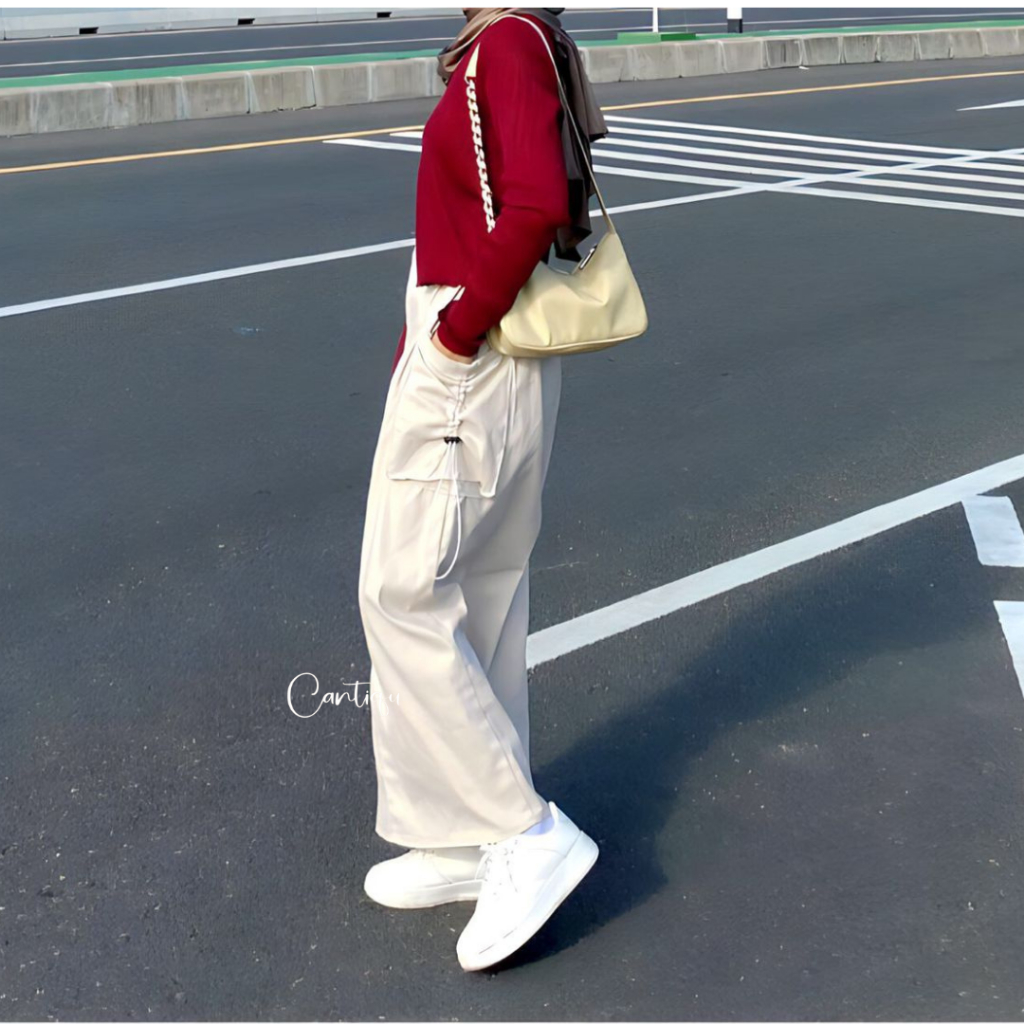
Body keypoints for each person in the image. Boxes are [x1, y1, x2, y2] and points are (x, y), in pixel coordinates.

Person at [357, 6, 608, 972]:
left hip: (475, 352)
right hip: (487, 354)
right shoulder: (516, 37)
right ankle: (462, 834)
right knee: (482, 595)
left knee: (403, 593)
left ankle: (522, 831)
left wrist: (454, 331)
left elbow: (535, 202)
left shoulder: (504, 42)